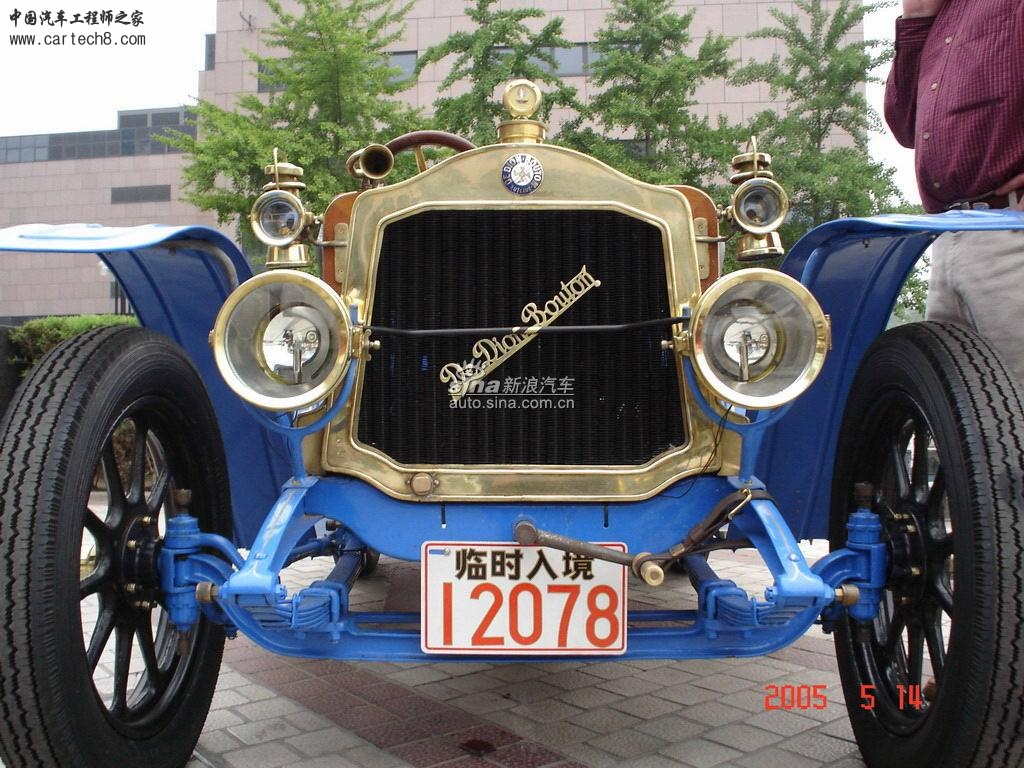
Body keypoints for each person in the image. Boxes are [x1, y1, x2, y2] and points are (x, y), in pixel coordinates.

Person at [884, 0, 1024, 383]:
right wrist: (917, 18)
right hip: (948, 233)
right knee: (961, 409)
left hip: (1011, 229)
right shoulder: (941, 15)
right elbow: (904, 125)